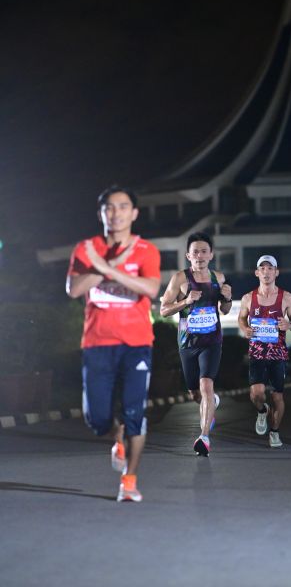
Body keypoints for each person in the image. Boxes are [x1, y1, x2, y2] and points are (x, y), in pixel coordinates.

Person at [66, 185, 161, 502]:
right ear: (101, 214)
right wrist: (106, 265)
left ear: (134, 213)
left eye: (122, 207)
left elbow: (150, 288)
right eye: (109, 207)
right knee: (97, 419)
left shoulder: (146, 250)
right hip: (97, 343)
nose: (116, 213)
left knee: (135, 412)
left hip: (137, 343)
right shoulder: (86, 249)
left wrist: (109, 269)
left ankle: (129, 481)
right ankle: (115, 433)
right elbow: (74, 289)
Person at [160, 232, 232, 456]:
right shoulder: (179, 279)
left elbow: (225, 310)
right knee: (195, 393)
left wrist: (228, 299)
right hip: (188, 343)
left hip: (212, 341)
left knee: (206, 385)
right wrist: (186, 301)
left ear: (211, 255)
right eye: (195, 252)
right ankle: (211, 404)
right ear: (188, 256)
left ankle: (204, 437)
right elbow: (163, 310)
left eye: (204, 251)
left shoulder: (218, 278)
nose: (199, 256)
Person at [238, 255, 291, 447]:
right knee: (256, 394)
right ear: (257, 273)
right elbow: (241, 318)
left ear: (276, 272)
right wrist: (244, 328)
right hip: (257, 353)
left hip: (278, 354)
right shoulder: (248, 298)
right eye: (262, 268)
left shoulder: (287, 297)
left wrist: (289, 325)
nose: (266, 272)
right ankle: (262, 411)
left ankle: (274, 432)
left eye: (270, 268)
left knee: (277, 396)